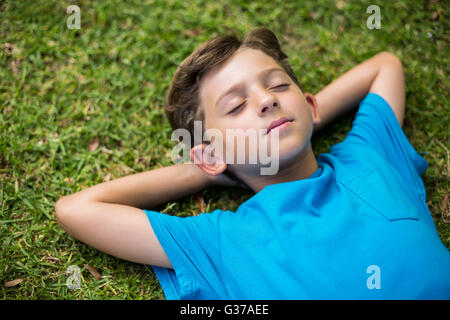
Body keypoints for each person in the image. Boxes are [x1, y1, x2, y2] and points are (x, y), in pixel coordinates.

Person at [55, 28, 450, 299]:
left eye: (278, 85)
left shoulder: (371, 155)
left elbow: (384, 65)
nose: (266, 99)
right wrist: (211, 168)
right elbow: (76, 210)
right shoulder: (221, 241)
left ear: (308, 101)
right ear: (209, 152)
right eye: (237, 105)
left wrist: (306, 118)